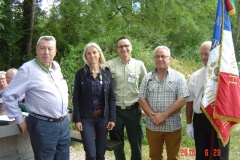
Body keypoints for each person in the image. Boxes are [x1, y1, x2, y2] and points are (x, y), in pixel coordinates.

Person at [2, 35, 70, 160]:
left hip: (63, 124)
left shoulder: (56, 67)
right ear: (36, 50)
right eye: (42, 48)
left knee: (63, 157)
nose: (46, 52)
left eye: (50, 49)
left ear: (55, 51)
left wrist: (66, 113)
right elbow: (8, 95)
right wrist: (20, 119)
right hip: (43, 125)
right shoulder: (27, 69)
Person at [138, 45, 189, 160]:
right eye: (157, 57)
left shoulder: (178, 77)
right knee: (155, 156)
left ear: (169, 59)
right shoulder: (147, 78)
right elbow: (141, 98)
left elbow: (182, 99)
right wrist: (152, 115)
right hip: (153, 125)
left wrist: (163, 115)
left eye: (163, 56)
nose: (160, 59)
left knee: (173, 157)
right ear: (154, 59)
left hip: (173, 126)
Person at [186, 41, 230, 160]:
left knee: (219, 154)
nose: (204, 57)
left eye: (207, 54)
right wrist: (189, 124)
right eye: (201, 54)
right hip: (200, 119)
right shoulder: (195, 76)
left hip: (218, 119)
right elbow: (189, 100)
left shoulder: (224, 75)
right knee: (202, 153)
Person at [72, 42, 116, 160]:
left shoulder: (106, 72)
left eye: (94, 52)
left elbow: (111, 96)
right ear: (86, 56)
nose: (92, 55)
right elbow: (76, 97)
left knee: (100, 154)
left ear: (99, 54)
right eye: (89, 53)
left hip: (103, 118)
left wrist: (112, 118)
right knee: (91, 154)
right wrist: (77, 119)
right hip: (86, 119)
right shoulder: (81, 74)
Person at [106, 37, 147, 160]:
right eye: (120, 46)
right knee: (117, 143)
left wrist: (145, 107)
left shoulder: (139, 65)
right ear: (117, 49)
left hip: (134, 110)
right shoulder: (109, 65)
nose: (124, 49)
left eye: (126, 46)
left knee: (136, 142)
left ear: (131, 47)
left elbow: (146, 85)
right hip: (115, 111)